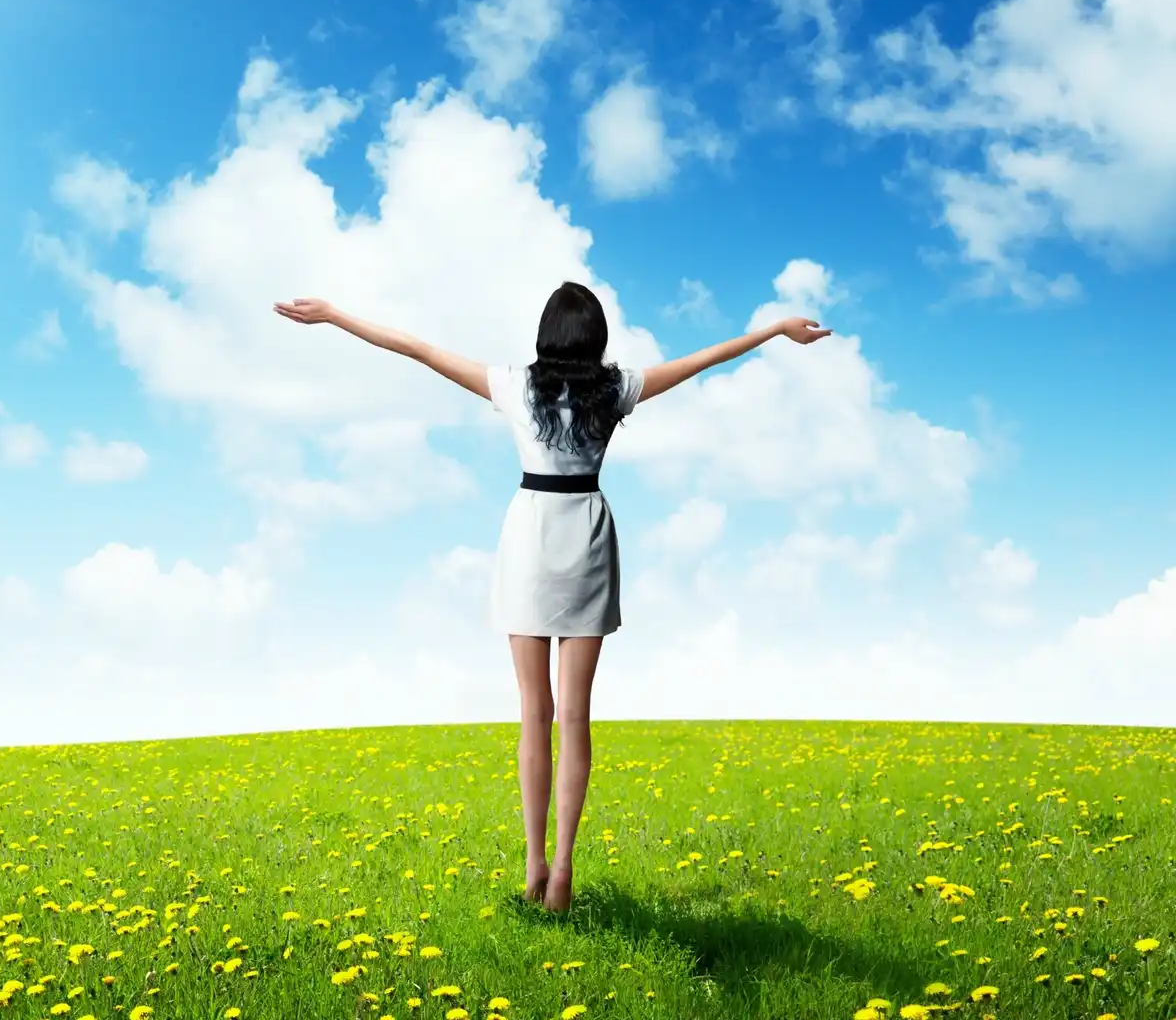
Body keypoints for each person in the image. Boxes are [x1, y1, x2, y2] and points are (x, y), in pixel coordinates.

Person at [274, 283, 830, 911]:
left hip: (530, 539)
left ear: (546, 336)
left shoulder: (515, 386)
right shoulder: (615, 391)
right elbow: (706, 357)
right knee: (576, 716)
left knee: (533, 714)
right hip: (588, 535)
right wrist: (774, 330)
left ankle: (534, 863)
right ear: (596, 340)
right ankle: (563, 869)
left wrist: (334, 316)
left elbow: (416, 349)